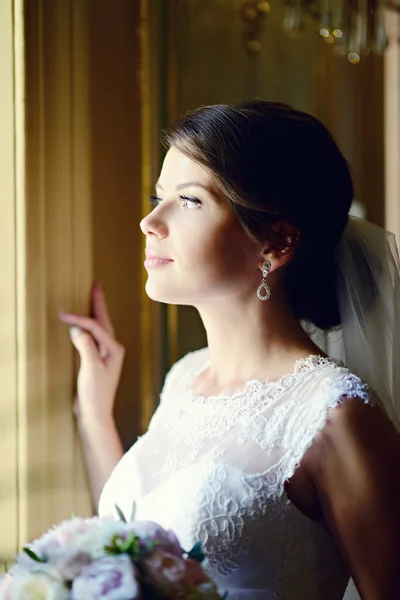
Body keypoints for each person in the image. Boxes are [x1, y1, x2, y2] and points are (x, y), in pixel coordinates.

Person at [59, 101, 400, 600]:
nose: (149, 222)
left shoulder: (334, 415)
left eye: (190, 201)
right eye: (158, 197)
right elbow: (139, 546)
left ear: (276, 243)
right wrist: (93, 413)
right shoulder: (185, 379)